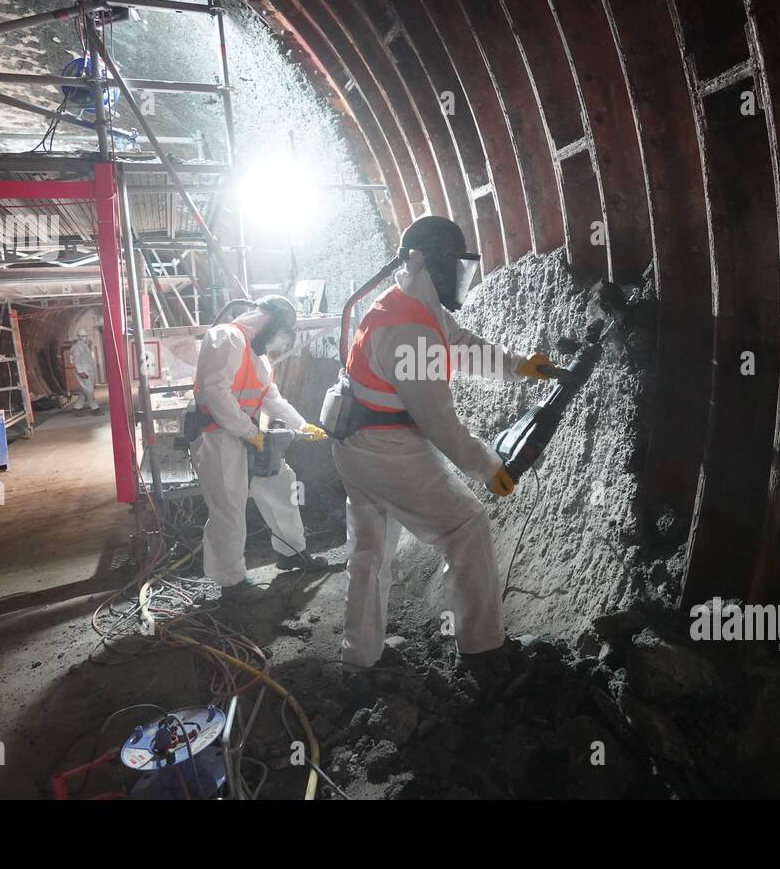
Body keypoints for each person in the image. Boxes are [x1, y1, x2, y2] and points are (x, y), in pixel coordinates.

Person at [331, 215, 555, 670]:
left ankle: (360, 657)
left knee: (369, 552)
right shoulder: (407, 327)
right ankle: (482, 650)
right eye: (456, 265)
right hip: (386, 450)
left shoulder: (408, 304)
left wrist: (517, 366)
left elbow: (458, 344)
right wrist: (487, 467)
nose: (460, 276)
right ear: (431, 263)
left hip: (357, 444)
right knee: (466, 526)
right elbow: (437, 420)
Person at [191, 294, 329, 591]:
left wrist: (302, 425)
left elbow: (272, 399)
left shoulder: (258, 357)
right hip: (217, 436)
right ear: (272, 322)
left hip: (247, 433)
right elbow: (215, 392)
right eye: (282, 333)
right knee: (229, 506)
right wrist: (248, 431)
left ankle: (290, 552)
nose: (280, 342)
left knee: (283, 484)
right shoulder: (226, 337)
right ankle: (231, 582)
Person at [69, 328, 103, 415]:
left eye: (85, 336)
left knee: (85, 391)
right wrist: (81, 372)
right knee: (89, 390)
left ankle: (77, 408)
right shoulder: (76, 348)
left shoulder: (85, 346)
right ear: (78, 337)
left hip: (88, 371)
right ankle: (95, 408)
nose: (84, 338)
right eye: (82, 336)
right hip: (83, 372)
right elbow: (76, 361)